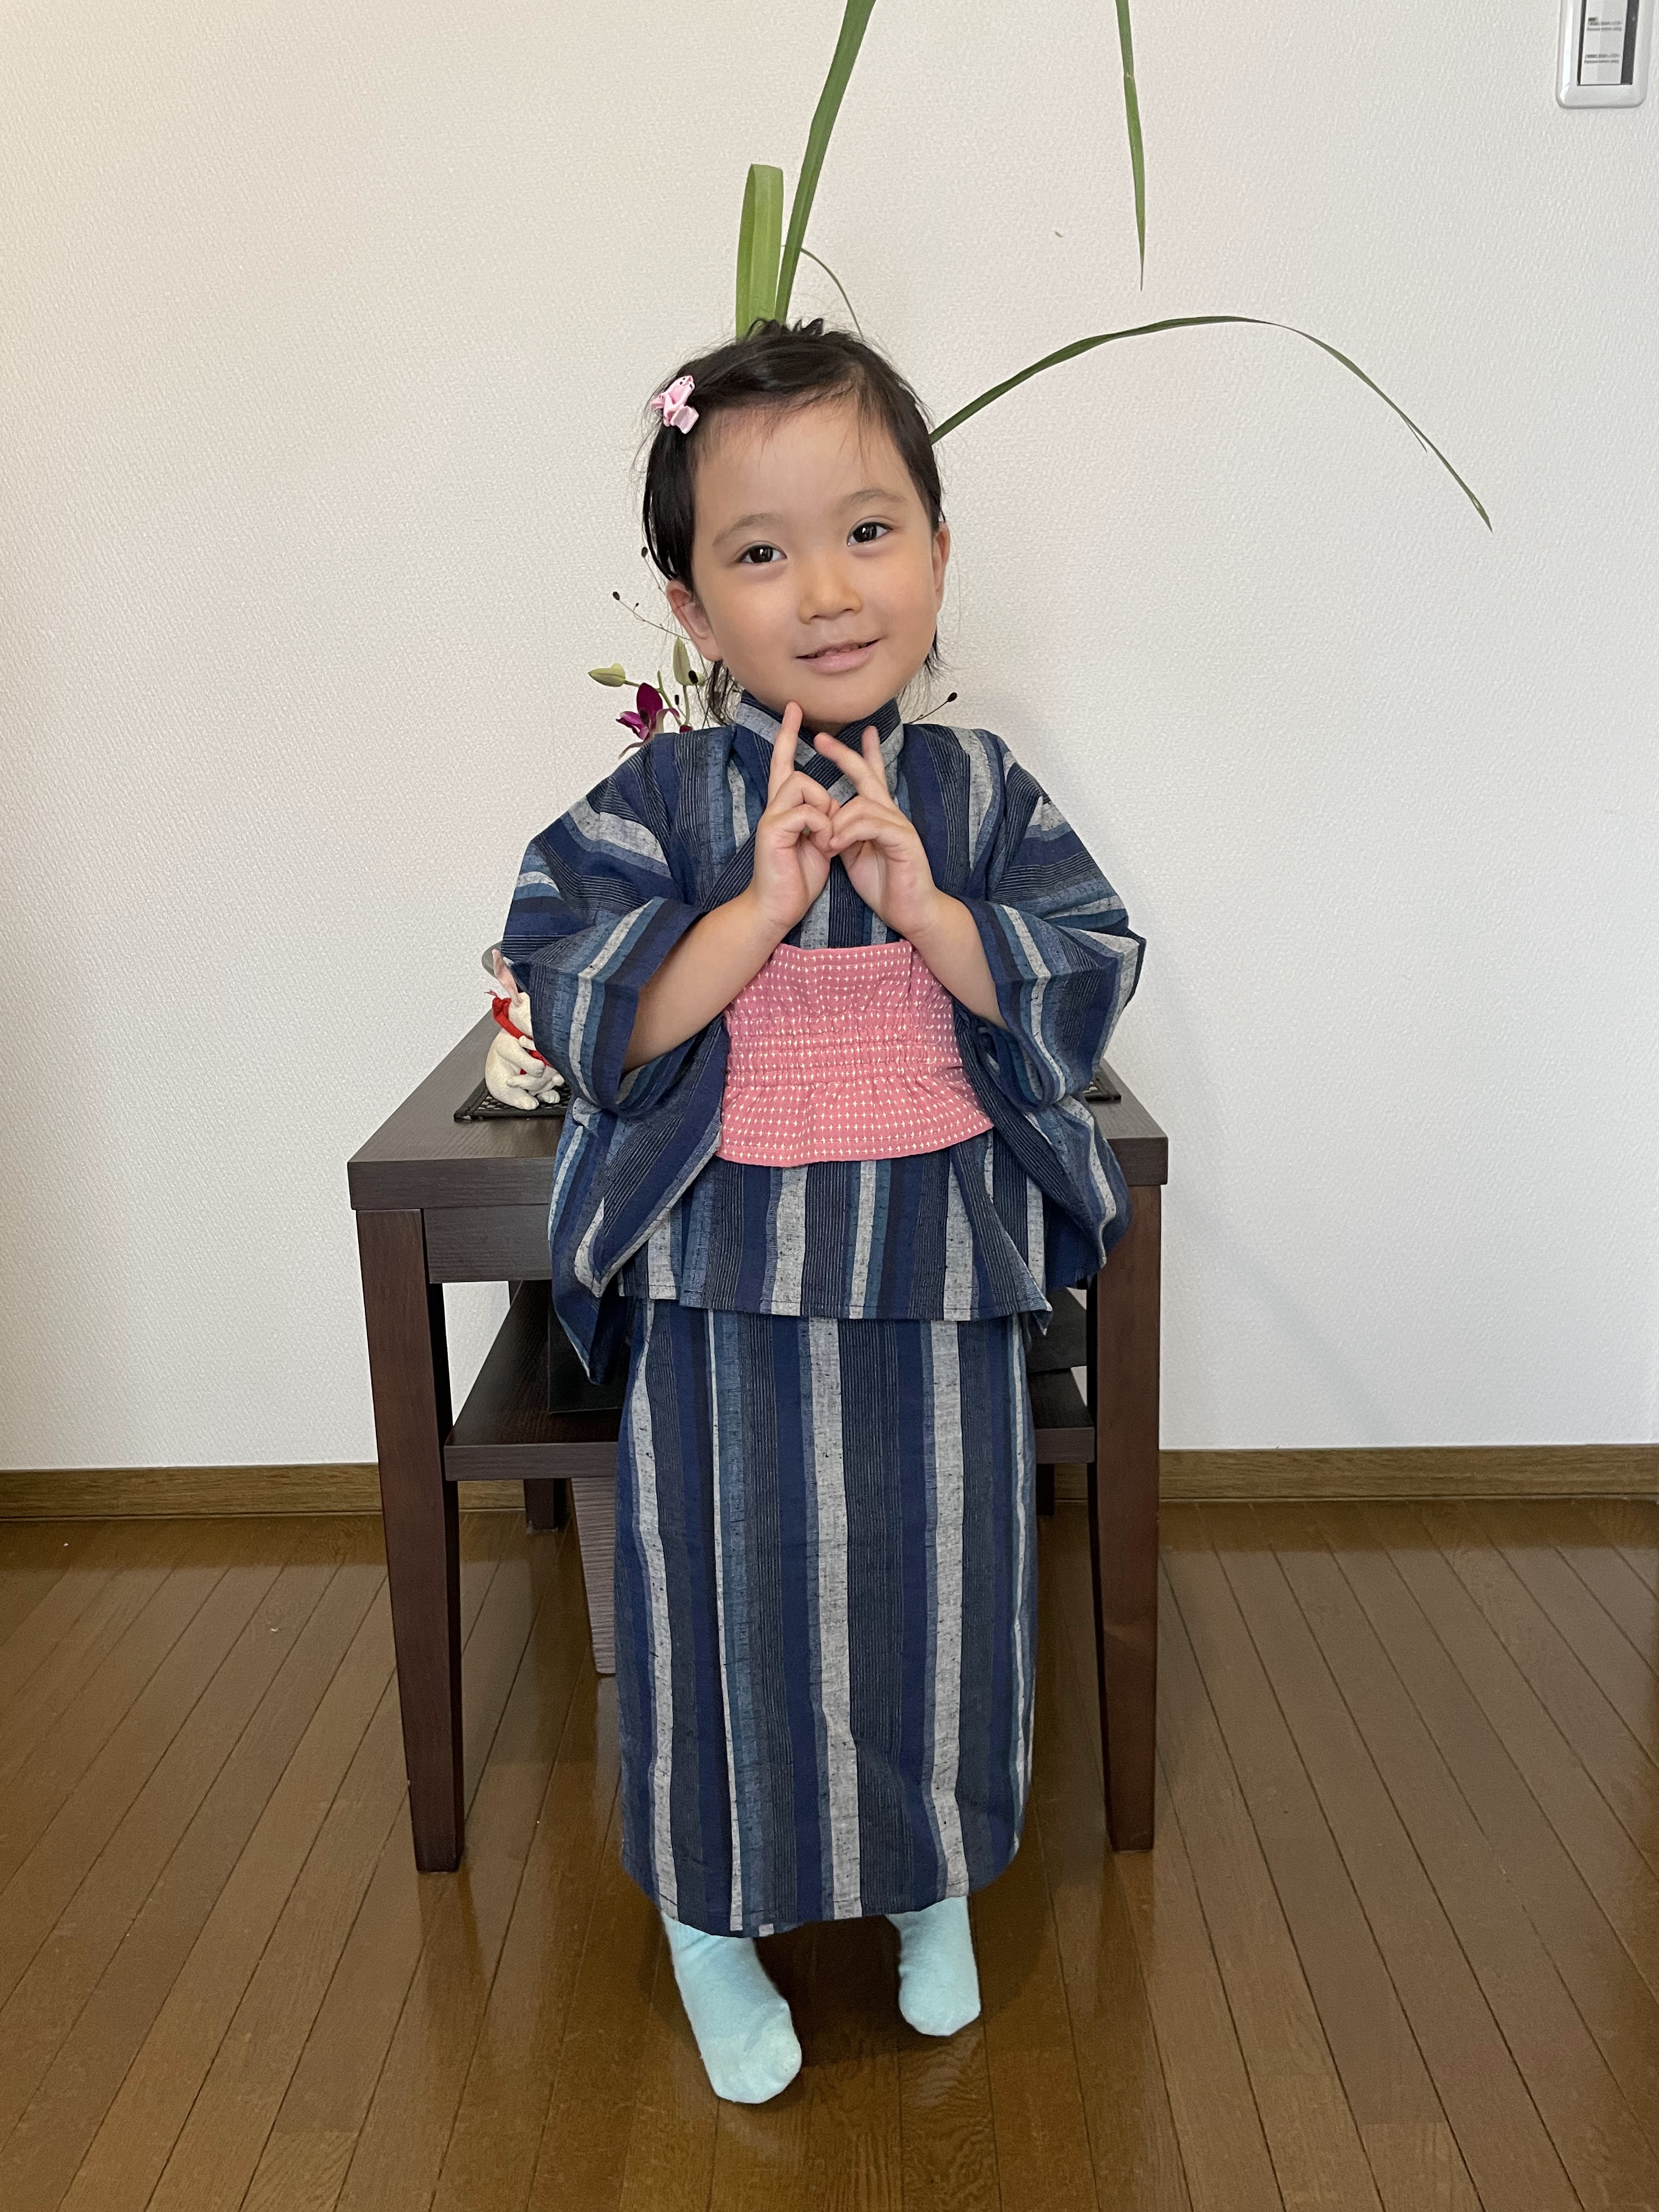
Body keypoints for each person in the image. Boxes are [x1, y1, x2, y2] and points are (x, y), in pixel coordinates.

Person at [495, 316, 1145, 2103]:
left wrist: (930, 913)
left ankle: (931, 1882)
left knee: (947, 1589)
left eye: (870, 530)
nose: (831, 588)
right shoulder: (662, 799)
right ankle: (711, 1920)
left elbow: (1076, 987)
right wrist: (753, 917)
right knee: (723, 1602)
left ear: (938, 545)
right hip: (726, 1274)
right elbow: (590, 1007)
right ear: (693, 609)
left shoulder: (981, 790)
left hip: (937, 1265)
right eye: (762, 552)